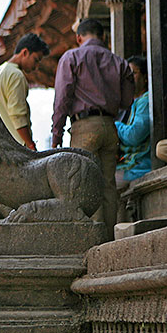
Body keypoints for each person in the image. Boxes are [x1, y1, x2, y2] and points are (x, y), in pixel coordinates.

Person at [52, 18, 134, 235]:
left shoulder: (72, 57)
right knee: (108, 184)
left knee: (83, 183)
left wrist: (56, 133)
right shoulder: (120, 63)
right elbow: (127, 101)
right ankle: (107, 237)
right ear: (103, 37)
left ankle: (89, 236)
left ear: (79, 37)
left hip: (84, 126)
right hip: (110, 126)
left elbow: (62, 98)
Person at [0, 33, 50, 149]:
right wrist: (30, 144)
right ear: (25, 52)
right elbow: (17, 116)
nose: (36, 66)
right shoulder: (16, 76)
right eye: (36, 60)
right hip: (15, 147)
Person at [115, 56, 151, 184]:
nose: (128, 78)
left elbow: (135, 135)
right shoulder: (131, 104)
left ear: (145, 77)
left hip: (141, 165)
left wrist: (116, 126)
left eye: (133, 73)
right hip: (131, 164)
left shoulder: (145, 101)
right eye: (126, 74)